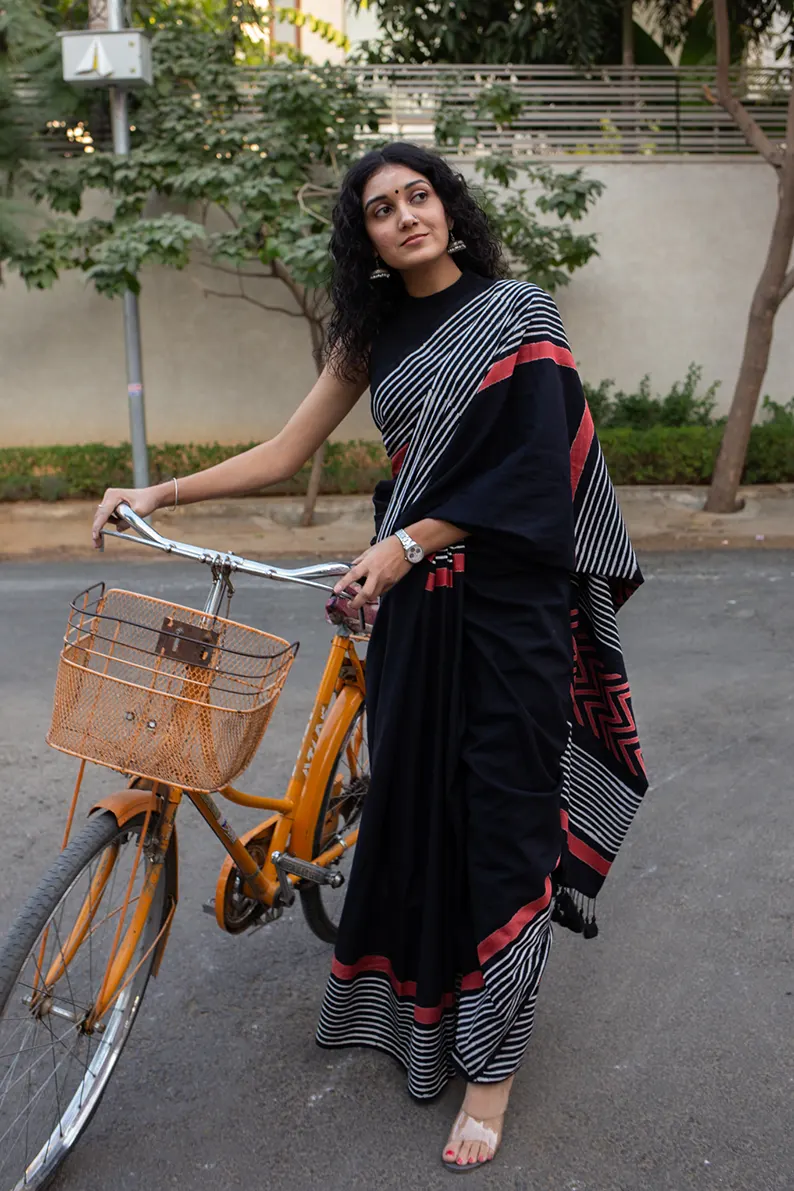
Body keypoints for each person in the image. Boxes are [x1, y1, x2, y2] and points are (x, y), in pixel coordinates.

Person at [92, 142, 648, 1173]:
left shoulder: (518, 314)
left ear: (447, 209)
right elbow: (282, 452)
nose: (403, 217)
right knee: (419, 815)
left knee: (500, 823)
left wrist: (405, 542)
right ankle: (439, 1014)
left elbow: (535, 471)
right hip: (413, 617)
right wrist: (156, 493)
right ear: (367, 240)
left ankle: (492, 1075)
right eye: (380, 210)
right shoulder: (369, 337)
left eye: (417, 197)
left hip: (505, 609)